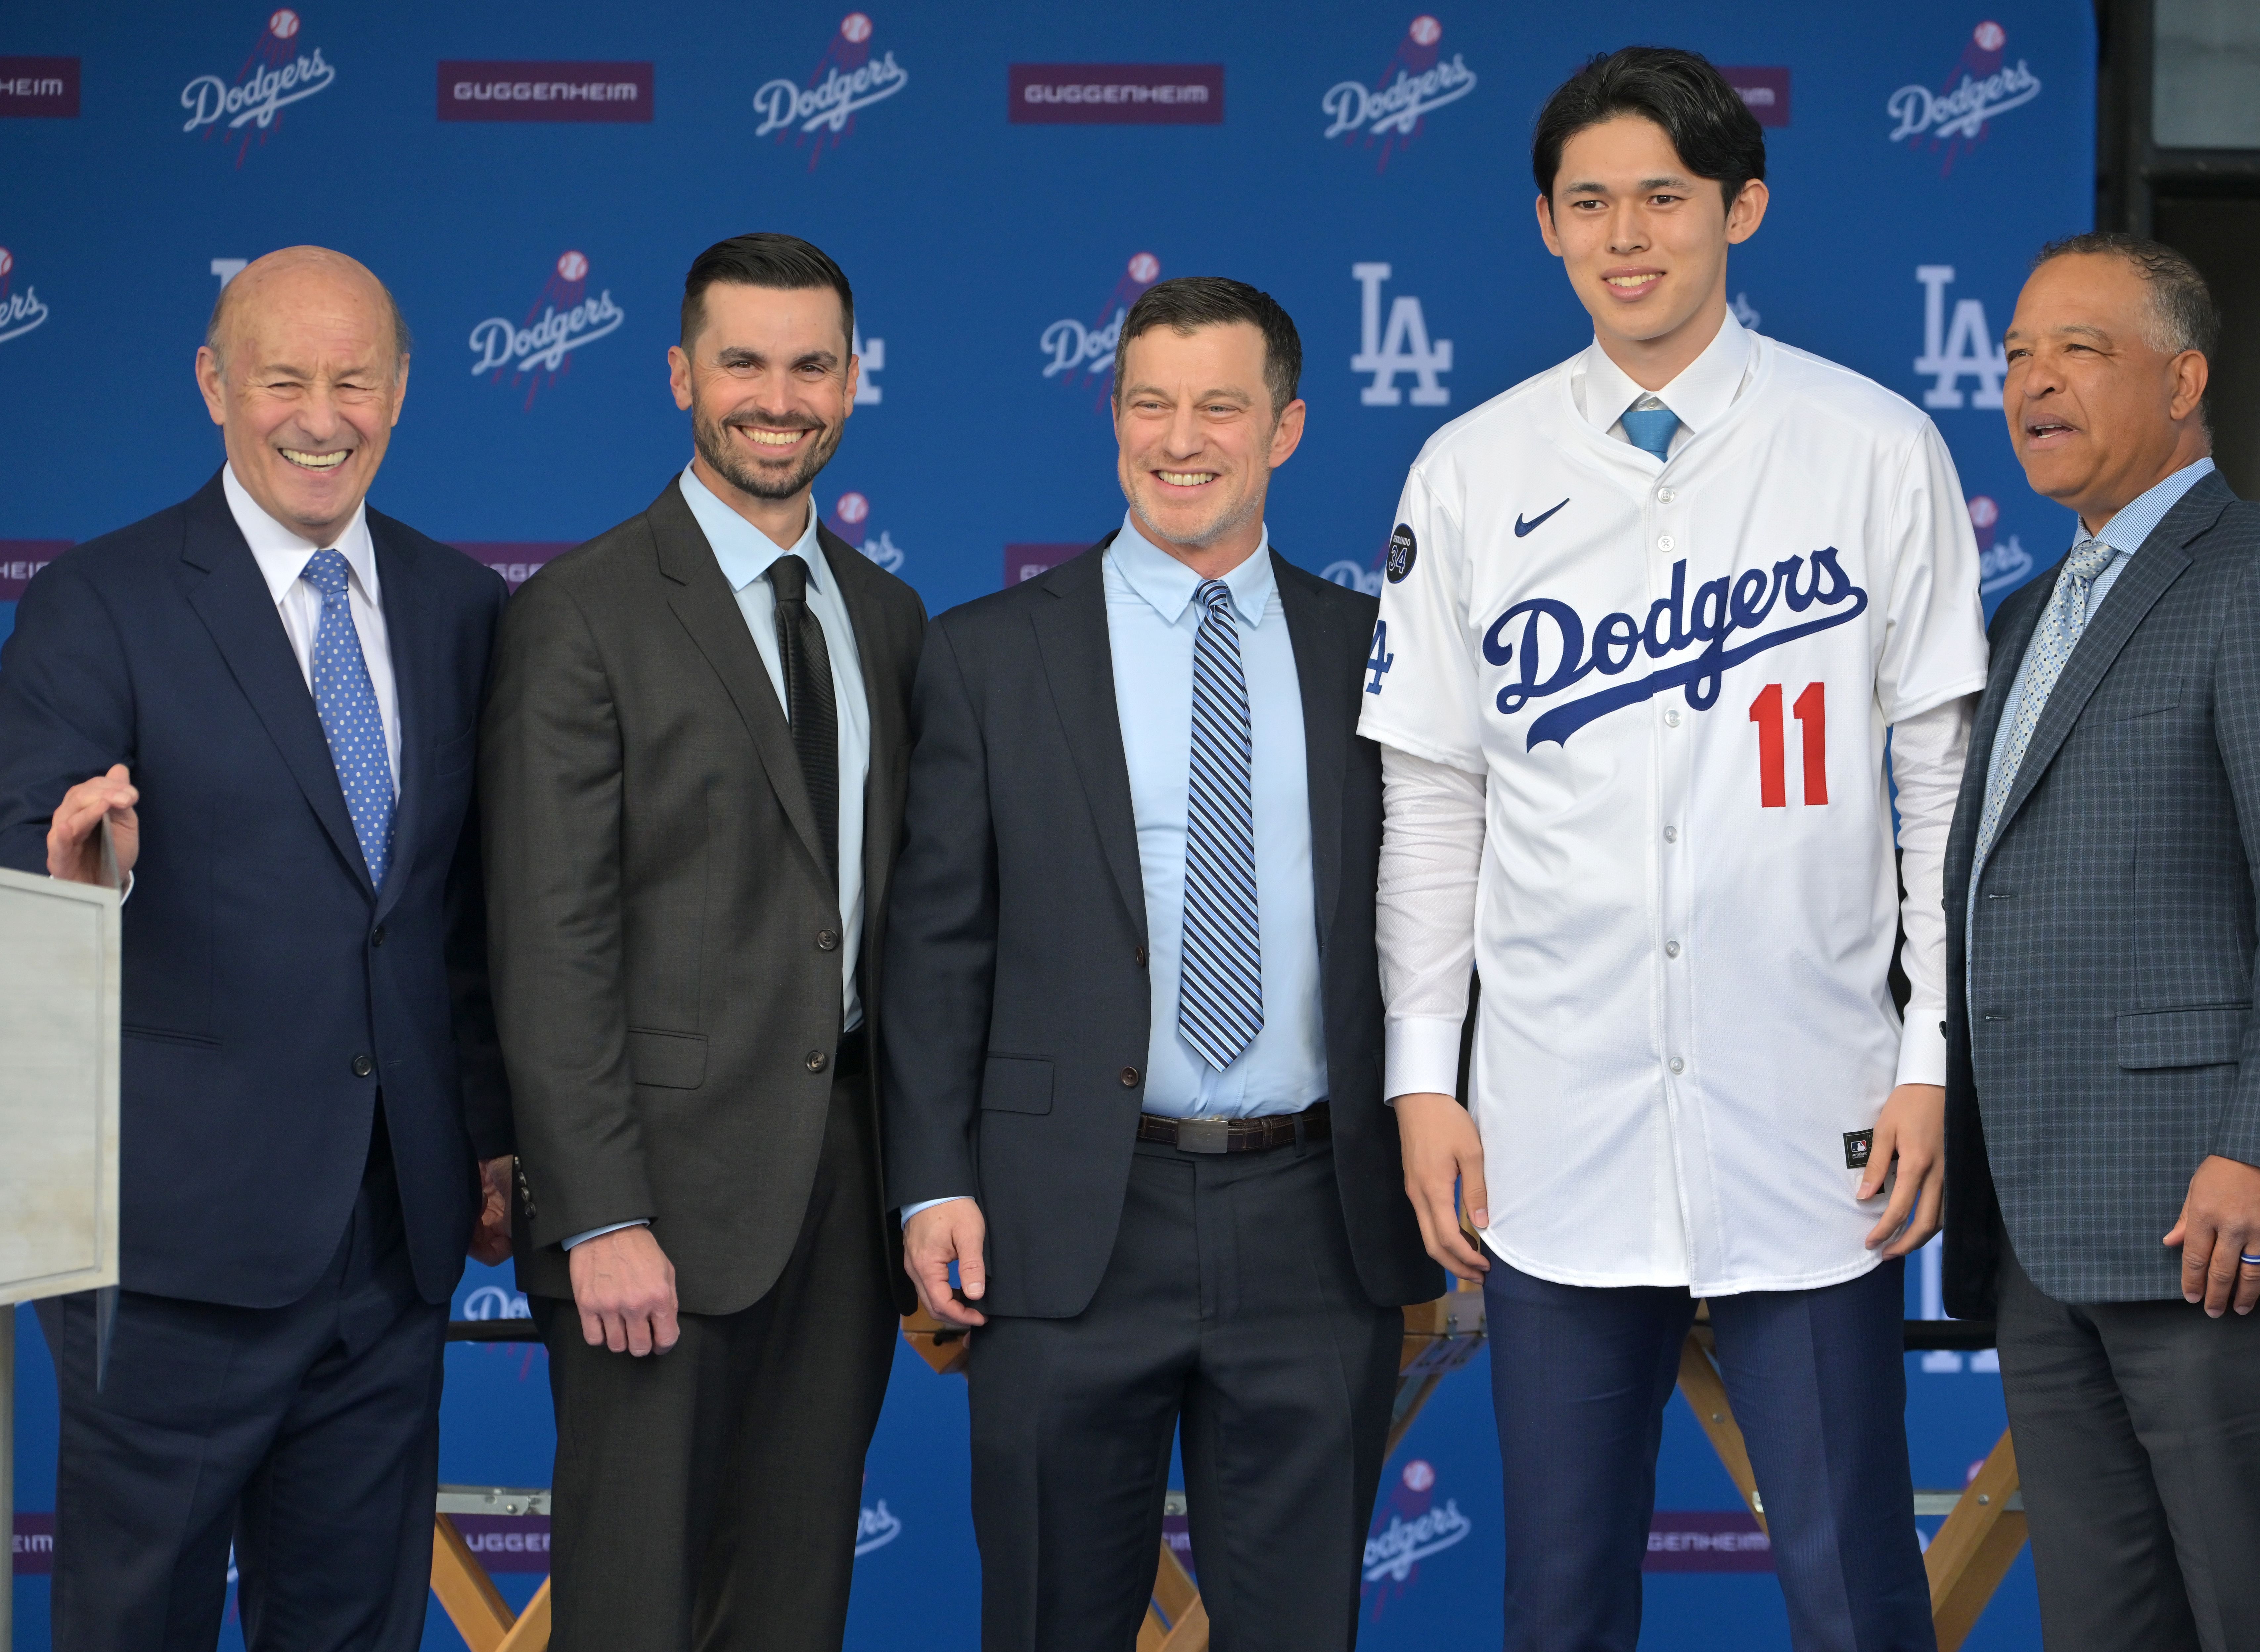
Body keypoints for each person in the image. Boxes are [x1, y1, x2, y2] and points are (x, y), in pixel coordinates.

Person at [1361, 48, 1989, 1652]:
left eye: (1663, 196)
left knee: (1856, 1591)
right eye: (1589, 202)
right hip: (1555, 1128)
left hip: (1815, 1120)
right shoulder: (1473, 467)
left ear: (1741, 210)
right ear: (1547, 228)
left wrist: (1931, 1055)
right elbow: (1433, 804)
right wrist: (1424, 1075)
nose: (1625, 234)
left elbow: (1941, 785)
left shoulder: (1870, 445)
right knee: (1560, 1602)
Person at [882, 275, 1438, 1651]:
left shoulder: (1377, 658)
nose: (1179, 438)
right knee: (1048, 1620)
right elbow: (935, 947)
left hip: (1318, 1218)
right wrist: (936, 1178)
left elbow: (1441, 915)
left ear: (1286, 429)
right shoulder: (986, 656)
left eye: (1218, 406)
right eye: (1148, 402)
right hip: (1067, 1216)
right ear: (1112, 416)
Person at [0, 246, 513, 1650]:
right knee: (135, 1623)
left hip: (392, 1242)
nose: (321, 413)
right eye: (284, 377)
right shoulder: (98, 600)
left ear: (402, 391)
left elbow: (465, 915)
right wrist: (70, 858)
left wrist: (491, 1137)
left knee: (354, 1627)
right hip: (169, 1244)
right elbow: (26, 835)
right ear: (215, 385)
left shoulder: (467, 610)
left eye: (354, 380)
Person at [1939, 233, 2260, 1651]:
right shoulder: (2026, 611)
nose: (2030, 383)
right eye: (2014, 355)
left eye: (2078, 349)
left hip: (2216, 1227)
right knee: (2105, 1628)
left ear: (2184, 378)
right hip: (2049, 1229)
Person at [479, 232, 923, 1652]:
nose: (776, 397)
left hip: (844, 1206)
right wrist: (600, 1211)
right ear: (682, 374)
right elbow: (548, 939)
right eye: (743, 362)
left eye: (810, 365)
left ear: (852, 382)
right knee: (630, 1612)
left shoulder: (888, 618)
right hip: (650, 1217)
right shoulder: (580, 614)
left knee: (794, 1606)